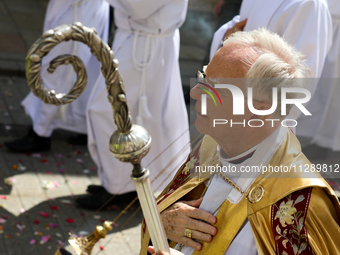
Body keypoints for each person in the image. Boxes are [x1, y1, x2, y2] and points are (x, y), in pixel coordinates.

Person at [139, 29, 340, 255]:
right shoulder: (211, 147)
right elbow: (161, 221)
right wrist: (162, 221)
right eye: (203, 77)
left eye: (214, 86)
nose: (195, 92)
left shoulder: (303, 204)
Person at [76, 0, 191, 209]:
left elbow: (140, 6)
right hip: (140, 39)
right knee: (134, 115)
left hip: (146, 45)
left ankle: (118, 190)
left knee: (106, 112)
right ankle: (124, 185)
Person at [4, 0, 110, 152]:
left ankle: (40, 133)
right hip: (80, 8)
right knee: (85, 70)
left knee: (59, 70)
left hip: (79, 10)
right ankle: (85, 128)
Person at [296, 0, 340, 158]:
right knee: (310, 84)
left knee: (334, 95)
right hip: (318, 21)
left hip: (334, 22)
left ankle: (327, 149)